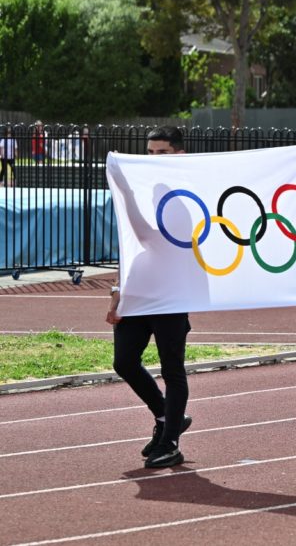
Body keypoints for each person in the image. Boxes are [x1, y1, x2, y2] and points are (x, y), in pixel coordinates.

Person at [106, 126, 194, 468]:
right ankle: (164, 416)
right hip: (139, 290)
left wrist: (125, 191)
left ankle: (170, 442)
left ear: (179, 154)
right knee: (124, 361)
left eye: (163, 153)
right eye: (151, 153)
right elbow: (130, 244)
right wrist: (118, 290)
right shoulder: (145, 190)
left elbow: (148, 236)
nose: (155, 158)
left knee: (173, 368)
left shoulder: (185, 195)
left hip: (171, 293)